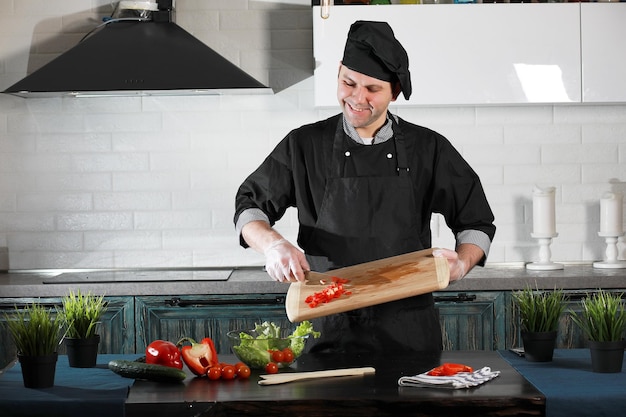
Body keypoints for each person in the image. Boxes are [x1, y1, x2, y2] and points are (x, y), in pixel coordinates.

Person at [234, 20, 495, 354]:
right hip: (326, 330)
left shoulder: (429, 148)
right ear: (339, 72)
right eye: (349, 82)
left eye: (372, 89)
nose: (357, 98)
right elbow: (249, 207)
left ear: (394, 92)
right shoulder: (304, 145)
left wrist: (462, 262)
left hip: (409, 332)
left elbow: (476, 222)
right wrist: (272, 246)